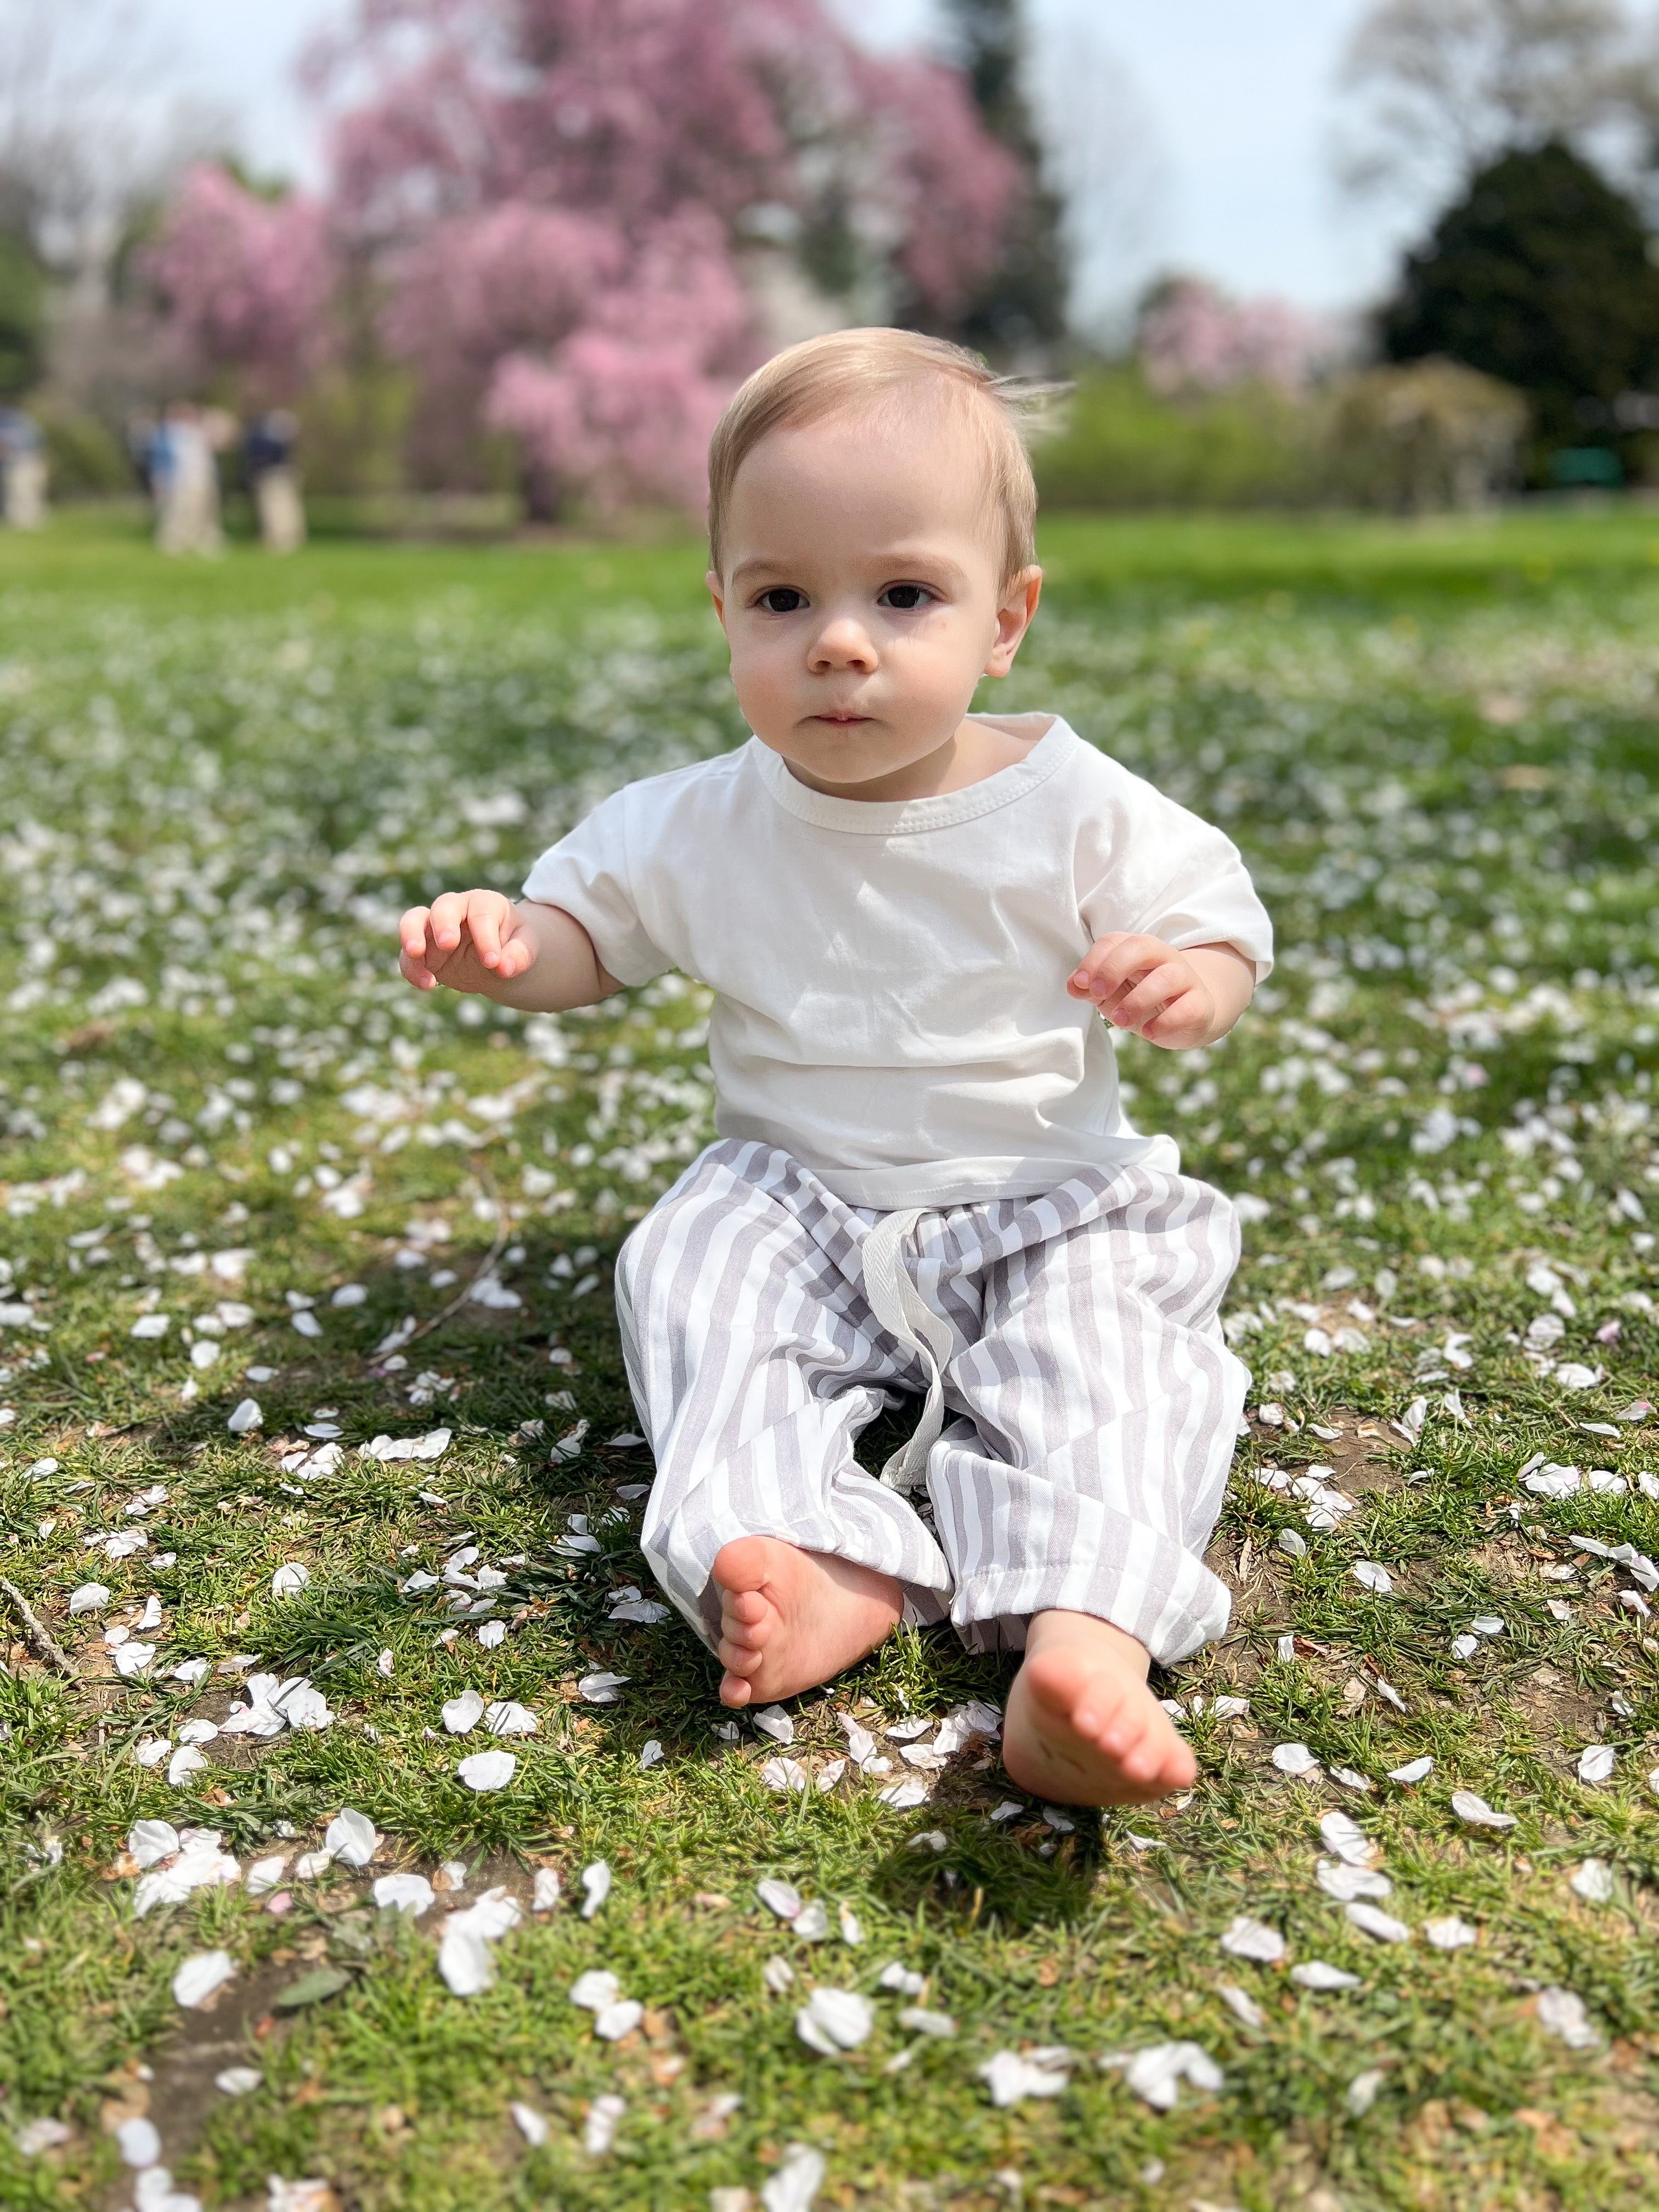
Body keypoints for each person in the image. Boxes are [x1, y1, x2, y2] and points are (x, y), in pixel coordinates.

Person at [396, 329, 1273, 1808]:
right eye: (784, 597)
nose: (839, 642)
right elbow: (588, 940)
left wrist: (1192, 982)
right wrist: (510, 943)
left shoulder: (1075, 805)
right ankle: (809, 1555)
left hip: (1049, 1198)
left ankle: (1086, 1644)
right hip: (800, 1202)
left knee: (1118, 1369)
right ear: (724, 609)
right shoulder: (695, 822)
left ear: (1008, 618)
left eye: (904, 595)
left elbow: (1213, 924)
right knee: (696, 1279)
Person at [152, 400, 223, 556]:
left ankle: (202, 541)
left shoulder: (199, 433)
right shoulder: (168, 435)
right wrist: (160, 481)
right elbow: (160, 461)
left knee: (204, 512)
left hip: (202, 479)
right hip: (180, 481)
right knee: (178, 512)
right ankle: (173, 542)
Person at [244, 409, 306, 553]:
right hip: (272, 476)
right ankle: (280, 538)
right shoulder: (269, 439)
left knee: (280, 509)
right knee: (276, 509)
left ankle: (283, 539)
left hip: (277, 476)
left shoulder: (272, 440)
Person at [0, 407, 47, 527]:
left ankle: (28, 520)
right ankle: (20, 520)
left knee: (24, 489)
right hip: (18, 460)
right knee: (18, 490)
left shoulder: (19, 424)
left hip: (26, 459)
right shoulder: (14, 423)